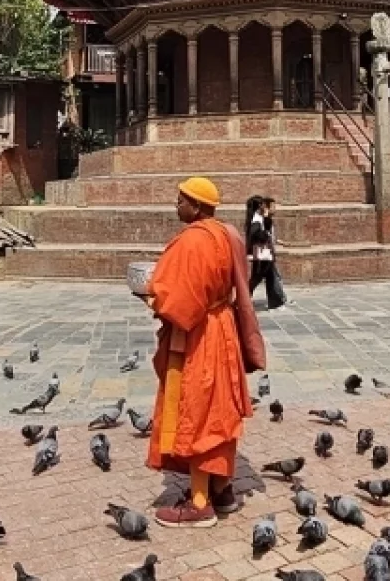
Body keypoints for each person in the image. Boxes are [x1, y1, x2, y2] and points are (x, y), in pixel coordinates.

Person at [144, 177, 265, 528]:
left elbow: (180, 301)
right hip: (222, 325)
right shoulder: (228, 234)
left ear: (196, 206)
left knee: (198, 414)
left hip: (199, 336)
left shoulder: (194, 241)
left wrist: (153, 297)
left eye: (180, 201)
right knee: (220, 409)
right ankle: (222, 489)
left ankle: (199, 504)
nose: (176, 206)